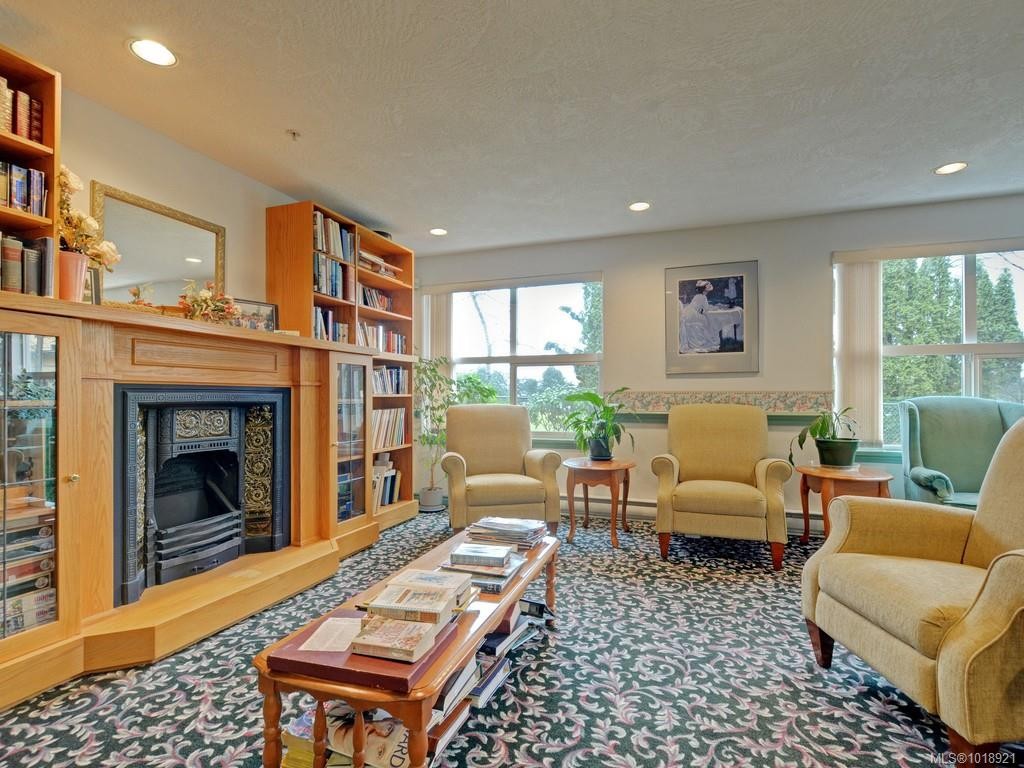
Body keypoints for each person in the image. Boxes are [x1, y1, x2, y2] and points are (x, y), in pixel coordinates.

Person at [679, 279, 719, 353]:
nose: (707, 292)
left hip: (688, 312)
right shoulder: (703, 297)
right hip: (693, 314)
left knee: (699, 323)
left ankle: (695, 341)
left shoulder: (696, 296)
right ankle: (700, 342)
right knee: (707, 322)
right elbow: (705, 309)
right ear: (704, 291)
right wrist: (708, 310)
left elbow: (696, 306)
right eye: (707, 291)